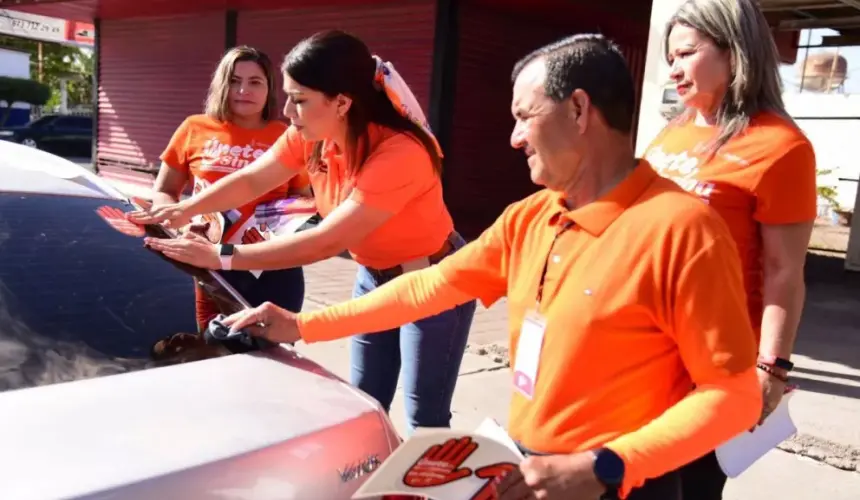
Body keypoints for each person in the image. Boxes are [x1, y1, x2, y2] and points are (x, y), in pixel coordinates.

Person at [219, 34, 762, 500]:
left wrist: (607, 465)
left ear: (578, 110)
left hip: (621, 480)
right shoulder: (529, 218)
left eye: (525, 117)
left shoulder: (682, 230)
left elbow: (734, 396)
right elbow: (427, 287)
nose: (514, 137)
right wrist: (302, 325)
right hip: (532, 468)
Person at [128, 30, 477, 432]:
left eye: (299, 100)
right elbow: (251, 180)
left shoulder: (400, 153)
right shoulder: (310, 136)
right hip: (374, 277)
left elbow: (327, 240)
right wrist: (183, 208)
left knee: (424, 416)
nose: (289, 114)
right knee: (364, 401)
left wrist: (221, 256)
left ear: (342, 102)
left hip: (432, 281)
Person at [643, 1, 817, 497]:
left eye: (686, 54)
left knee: (690, 488)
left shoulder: (781, 146)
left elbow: (785, 271)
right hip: (644, 355)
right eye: (670, 57)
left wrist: (772, 368)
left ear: (735, 51)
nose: (673, 68)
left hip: (712, 366)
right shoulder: (673, 133)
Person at [147, 45, 311, 331]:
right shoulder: (193, 128)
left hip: (270, 265)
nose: (243, 90)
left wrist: (282, 227)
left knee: (271, 356)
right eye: (234, 81)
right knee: (213, 350)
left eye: (254, 82)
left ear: (269, 88)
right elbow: (164, 191)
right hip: (208, 263)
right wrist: (180, 224)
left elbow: (301, 201)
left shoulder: (289, 136)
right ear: (221, 85)